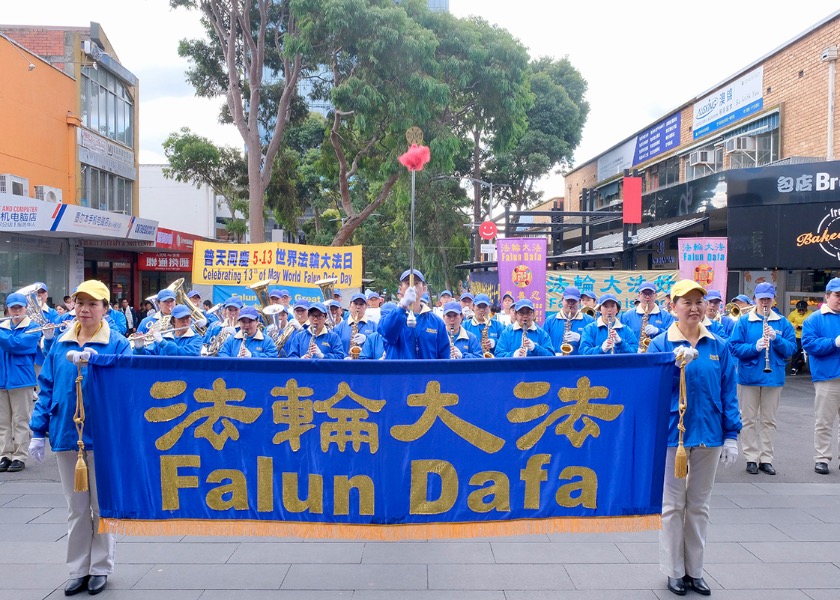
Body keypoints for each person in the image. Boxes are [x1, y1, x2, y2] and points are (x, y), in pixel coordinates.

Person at [28, 280, 131, 596]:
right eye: (80, 303)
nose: (85, 309)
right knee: (75, 508)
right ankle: (78, 569)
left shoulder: (116, 343)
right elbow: (46, 387)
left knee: (101, 507)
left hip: (102, 436)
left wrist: (97, 363)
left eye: (93, 304)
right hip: (66, 433)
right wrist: (37, 430)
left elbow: (126, 384)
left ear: (105, 308)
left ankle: (100, 568)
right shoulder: (61, 343)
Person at [648, 279, 741, 596]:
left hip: (709, 433)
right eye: (686, 301)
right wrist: (672, 368)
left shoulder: (719, 345)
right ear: (672, 307)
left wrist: (732, 434)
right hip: (673, 435)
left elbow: (729, 391)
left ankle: (695, 571)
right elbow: (651, 394)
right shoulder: (660, 343)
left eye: (699, 301)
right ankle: (674, 571)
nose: (694, 307)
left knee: (699, 505)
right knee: (673, 505)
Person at [728, 283, 795, 475]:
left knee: (769, 420)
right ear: (755, 299)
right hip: (749, 376)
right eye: (761, 298)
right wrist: (754, 347)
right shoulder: (743, 322)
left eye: (768, 298)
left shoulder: (782, 322)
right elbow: (734, 348)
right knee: (748, 420)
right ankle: (751, 457)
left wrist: (777, 339)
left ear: (774, 299)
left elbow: (791, 350)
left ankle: (766, 458)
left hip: (773, 377)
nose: (765, 302)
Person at [801, 277, 840, 475]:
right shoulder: (814, 319)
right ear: (827, 296)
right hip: (827, 377)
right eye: (837, 295)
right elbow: (809, 345)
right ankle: (822, 458)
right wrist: (834, 343)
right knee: (824, 421)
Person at [0, 293, 40, 473]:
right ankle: (5, 455)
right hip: (2, 379)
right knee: (3, 421)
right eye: (12, 308)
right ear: (7, 309)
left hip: (21, 380)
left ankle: (19, 456)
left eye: (19, 307)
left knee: (20, 420)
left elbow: (15, 345)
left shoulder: (33, 328)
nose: (16, 311)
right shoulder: (3, 327)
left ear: (25, 308)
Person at [379, 269, 450, 360]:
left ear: (424, 289)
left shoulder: (436, 322)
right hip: (398, 373)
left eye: (416, 283)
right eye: (408, 283)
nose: (412, 287)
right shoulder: (390, 316)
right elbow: (387, 333)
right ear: (400, 289)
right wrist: (403, 306)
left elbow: (444, 357)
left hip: (427, 374)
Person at [133, 304, 203, 357]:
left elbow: (187, 354)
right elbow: (148, 358)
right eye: (181, 318)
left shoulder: (196, 338)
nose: (185, 321)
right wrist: (139, 349)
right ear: (173, 321)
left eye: (187, 318)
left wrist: (164, 344)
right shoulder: (164, 337)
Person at [622, 281, 674, 352]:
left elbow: (672, 336)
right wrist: (633, 350)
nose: (647, 297)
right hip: (634, 357)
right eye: (644, 294)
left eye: (650, 294)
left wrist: (658, 331)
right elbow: (622, 338)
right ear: (639, 295)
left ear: (656, 295)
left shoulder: (667, 316)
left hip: (658, 356)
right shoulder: (627, 316)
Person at [544, 287, 594, 356]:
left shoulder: (589, 320)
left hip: (580, 363)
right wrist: (553, 354)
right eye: (568, 301)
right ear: (562, 300)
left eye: (574, 301)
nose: (570, 304)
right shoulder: (550, 320)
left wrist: (580, 338)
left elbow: (594, 344)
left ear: (579, 302)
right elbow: (543, 343)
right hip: (556, 362)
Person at [334, 293, 377, 358]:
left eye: (361, 304)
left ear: (366, 307)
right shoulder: (339, 327)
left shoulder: (373, 326)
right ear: (350, 305)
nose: (358, 307)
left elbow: (378, 346)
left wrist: (367, 339)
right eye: (355, 304)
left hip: (366, 365)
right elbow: (335, 348)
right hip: (345, 364)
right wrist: (344, 357)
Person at [787, 300, 813, 375]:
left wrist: (803, 326)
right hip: (797, 336)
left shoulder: (811, 314)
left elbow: (813, 322)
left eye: (803, 309)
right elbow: (788, 322)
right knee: (796, 351)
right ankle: (794, 368)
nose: (801, 311)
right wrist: (795, 325)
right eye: (799, 309)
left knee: (810, 351)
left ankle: (811, 367)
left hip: (807, 335)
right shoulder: (793, 314)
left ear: (806, 308)